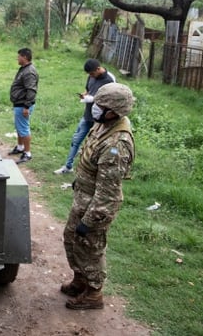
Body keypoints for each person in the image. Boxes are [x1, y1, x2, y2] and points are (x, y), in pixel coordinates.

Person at [61, 83, 135, 310]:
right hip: (84, 195)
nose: (95, 108)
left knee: (90, 247)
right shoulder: (104, 124)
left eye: (100, 106)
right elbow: (90, 155)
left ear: (114, 111)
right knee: (71, 238)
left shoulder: (117, 144)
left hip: (96, 205)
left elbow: (109, 192)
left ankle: (94, 293)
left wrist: (90, 220)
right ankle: (80, 280)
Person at [54, 59, 116, 175]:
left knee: (96, 145)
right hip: (87, 115)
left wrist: (93, 99)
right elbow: (88, 90)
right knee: (76, 140)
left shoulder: (109, 80)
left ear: (98, 69)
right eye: (89, 75)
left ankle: (93, 170)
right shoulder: (91, 76)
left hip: (100, 120)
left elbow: (111, 99)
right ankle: (68, 166)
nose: (91, 76)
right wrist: (85, 95)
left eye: (92, 74)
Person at [8, 47, 38, 164]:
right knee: (19, 127)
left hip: (23, 105)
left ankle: (27, 153)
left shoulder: (29, 72)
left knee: (24, 129)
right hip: (19, 103)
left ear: (24, 57)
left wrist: (26, 106)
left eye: (19, 56)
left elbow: (31, 90)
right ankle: (20, 147)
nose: (17, 58)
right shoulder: (24, 69)